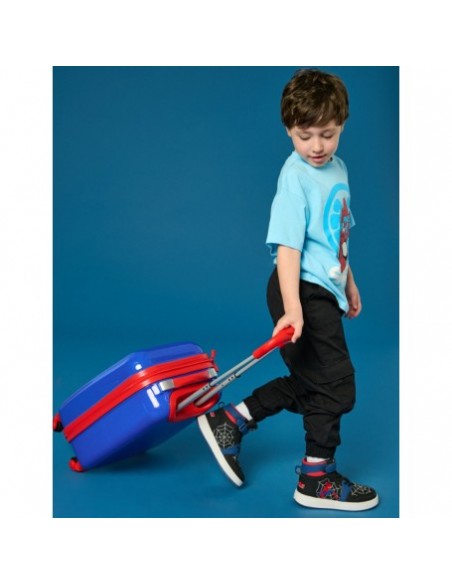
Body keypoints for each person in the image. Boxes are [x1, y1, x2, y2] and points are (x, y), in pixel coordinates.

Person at [197, 68, 378, 511]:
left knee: (317, 383)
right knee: (337, 387)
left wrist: (348, 283)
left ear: (342, 125)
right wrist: (294, 308)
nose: (316, 146)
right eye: (304, 135)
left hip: (323, 290)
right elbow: (289, 248)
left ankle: (232, 419)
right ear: (288, 130)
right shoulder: (295, 177)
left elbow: (336, 235)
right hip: (299, 290)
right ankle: (316, 477)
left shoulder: (337, 168)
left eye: (327, 134)